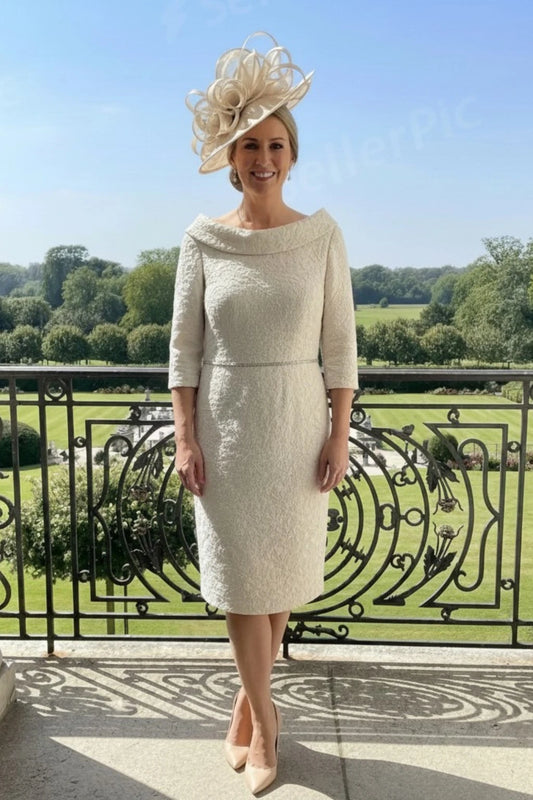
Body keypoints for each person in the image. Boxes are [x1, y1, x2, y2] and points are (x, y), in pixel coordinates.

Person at [169, 32, 358, 795]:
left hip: (295, 425)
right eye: (248, 145)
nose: (262, 158)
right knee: (242, 580)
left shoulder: (320, 237)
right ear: (229, 153)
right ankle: (270, 726)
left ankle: (247, 708)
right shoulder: (202, 239)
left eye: (275, 144)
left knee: (274, 579)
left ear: (292, 152)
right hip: (225, 425)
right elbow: (182, 352)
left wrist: (339, 435)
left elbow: (341, 349)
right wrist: (185, 438)